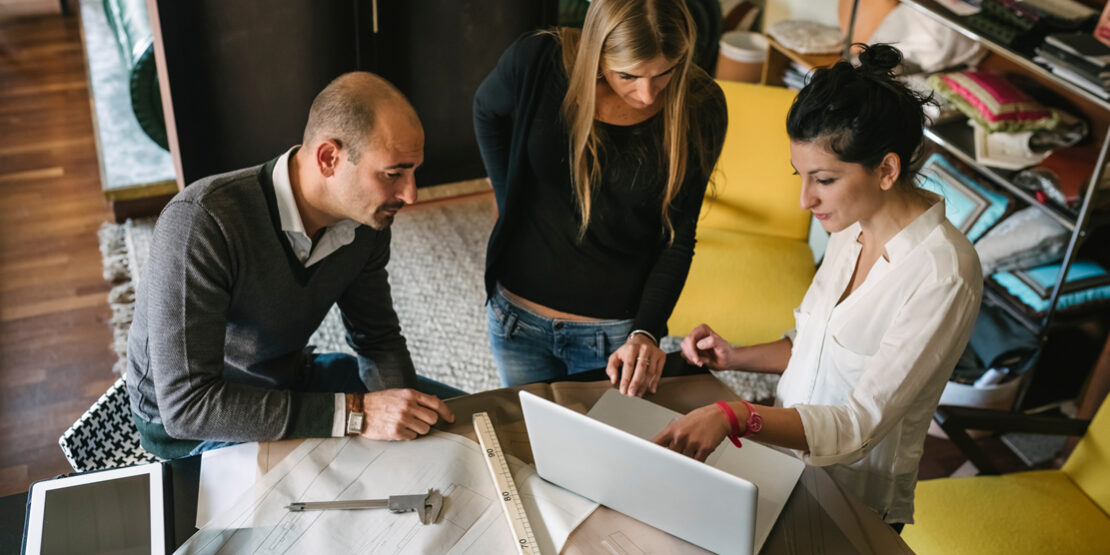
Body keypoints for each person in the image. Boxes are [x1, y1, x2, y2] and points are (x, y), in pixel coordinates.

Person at [652, 44, 983, 530]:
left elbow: (858, 425)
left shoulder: (944, 275)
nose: (805, 199)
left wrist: (736, 414)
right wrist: (736, 356)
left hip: (852, 498)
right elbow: (814, 343)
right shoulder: (850, 227)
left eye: (823, 180)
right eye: (800, 176)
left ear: (887, 170)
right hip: (783, 460)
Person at [126, 72, 464, 460]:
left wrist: (407, 428)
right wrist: (357, 414)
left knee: (462, 422)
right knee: (348, 501)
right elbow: (188, 406)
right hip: (192, 425)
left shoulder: (367, 222)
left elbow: (378, 339)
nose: (410, 194)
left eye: (413, 171)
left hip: (286, 379)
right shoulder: (201, 222)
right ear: (329, 158)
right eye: (393, 174)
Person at [473, 0, 727, 396]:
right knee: (527, 444)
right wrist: (509, 198)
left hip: (614, 340)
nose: (645, 94)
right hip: (516, 319)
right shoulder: (538, 59)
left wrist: (646, 332)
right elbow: (486, 111)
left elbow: (679, 238)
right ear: (597, 51)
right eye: (627, 75)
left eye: (664, 73)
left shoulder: (701, 106)